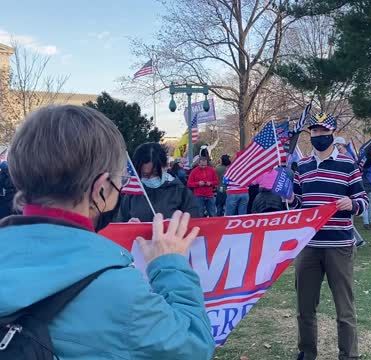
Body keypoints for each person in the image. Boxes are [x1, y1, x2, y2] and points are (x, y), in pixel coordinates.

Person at [0, 105, 215, 359]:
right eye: (120, 181)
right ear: (100, 189)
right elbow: (195, 346)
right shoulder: (121, 294)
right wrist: (171, 266)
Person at [290, 112, 368, 360]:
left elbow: (363, 201)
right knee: (305, 307)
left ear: (333, 134)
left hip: (339, 245)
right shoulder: (301, 167)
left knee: (344, 307)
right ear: (310, 135)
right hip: (309, 246)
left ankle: (348, 355)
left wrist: (351, 203)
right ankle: (307, 352)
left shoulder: (348, 164)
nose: (319, 136)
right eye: (315, 132)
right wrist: (289, 198)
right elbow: (297, 204)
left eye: (324, 132)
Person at [116, 143, 201, 222]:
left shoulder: (181, 193)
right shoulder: (131, 194)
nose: (150, 178)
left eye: (155, 173)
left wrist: (175, 226)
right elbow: (119, 223)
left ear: (166, 166)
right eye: (145, 175)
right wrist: (128, 227)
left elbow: (196, 226)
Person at [225, 152, 250, 216]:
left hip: (232, 192)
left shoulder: (230, 168)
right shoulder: (247, 168)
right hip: (244, 191)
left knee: (229, 214)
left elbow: (225, 181)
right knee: (242, 214)